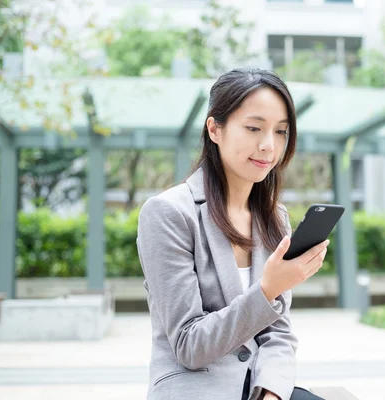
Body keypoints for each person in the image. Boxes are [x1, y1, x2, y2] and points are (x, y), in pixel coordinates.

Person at [136, 68, 329, 400]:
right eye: (253, 128)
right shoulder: (168, 213)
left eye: (281, 131)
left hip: (257, 388)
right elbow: (189, 345)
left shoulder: (274, 217)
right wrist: (269, 289)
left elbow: (278, 335)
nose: (268, 146)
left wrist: (272, 392)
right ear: (214, 129)